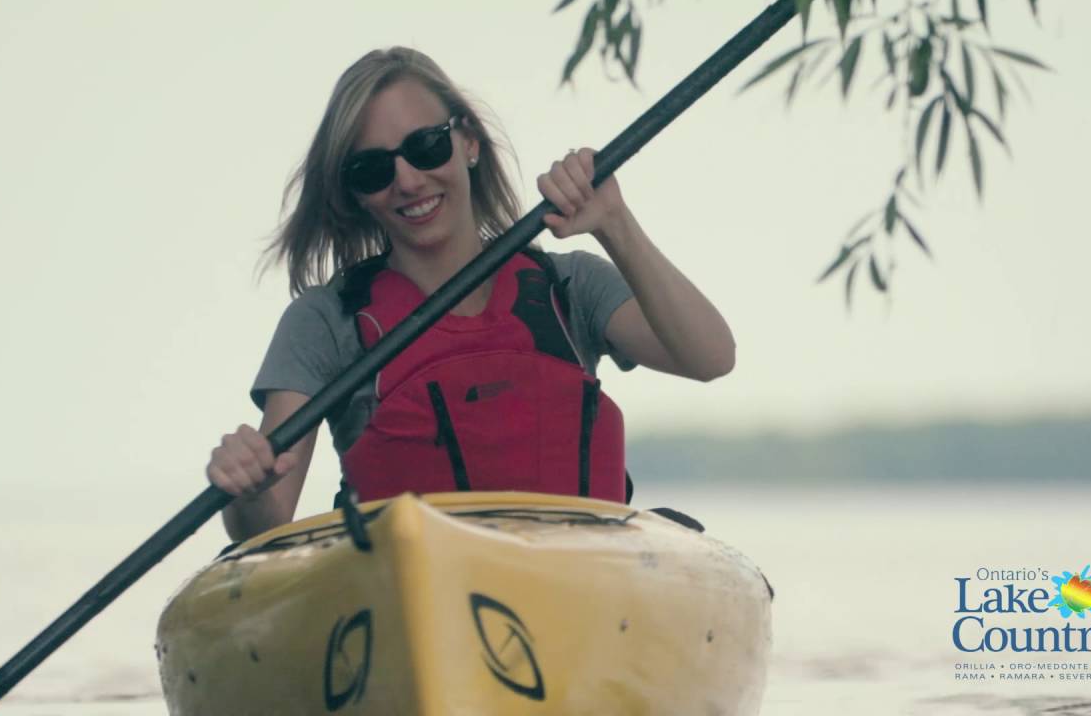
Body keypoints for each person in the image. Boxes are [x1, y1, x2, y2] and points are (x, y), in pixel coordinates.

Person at [206, 47, 735, 542]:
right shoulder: (325, 320)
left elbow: (710, 357)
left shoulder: (570, 284)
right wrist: (246, 487)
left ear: (469, 142)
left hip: (584, 578)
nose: (408, 180)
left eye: (425, 146)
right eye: (373, 169)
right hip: (418, 592)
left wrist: (615, 224)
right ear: (353, 193)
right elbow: (265, 523)